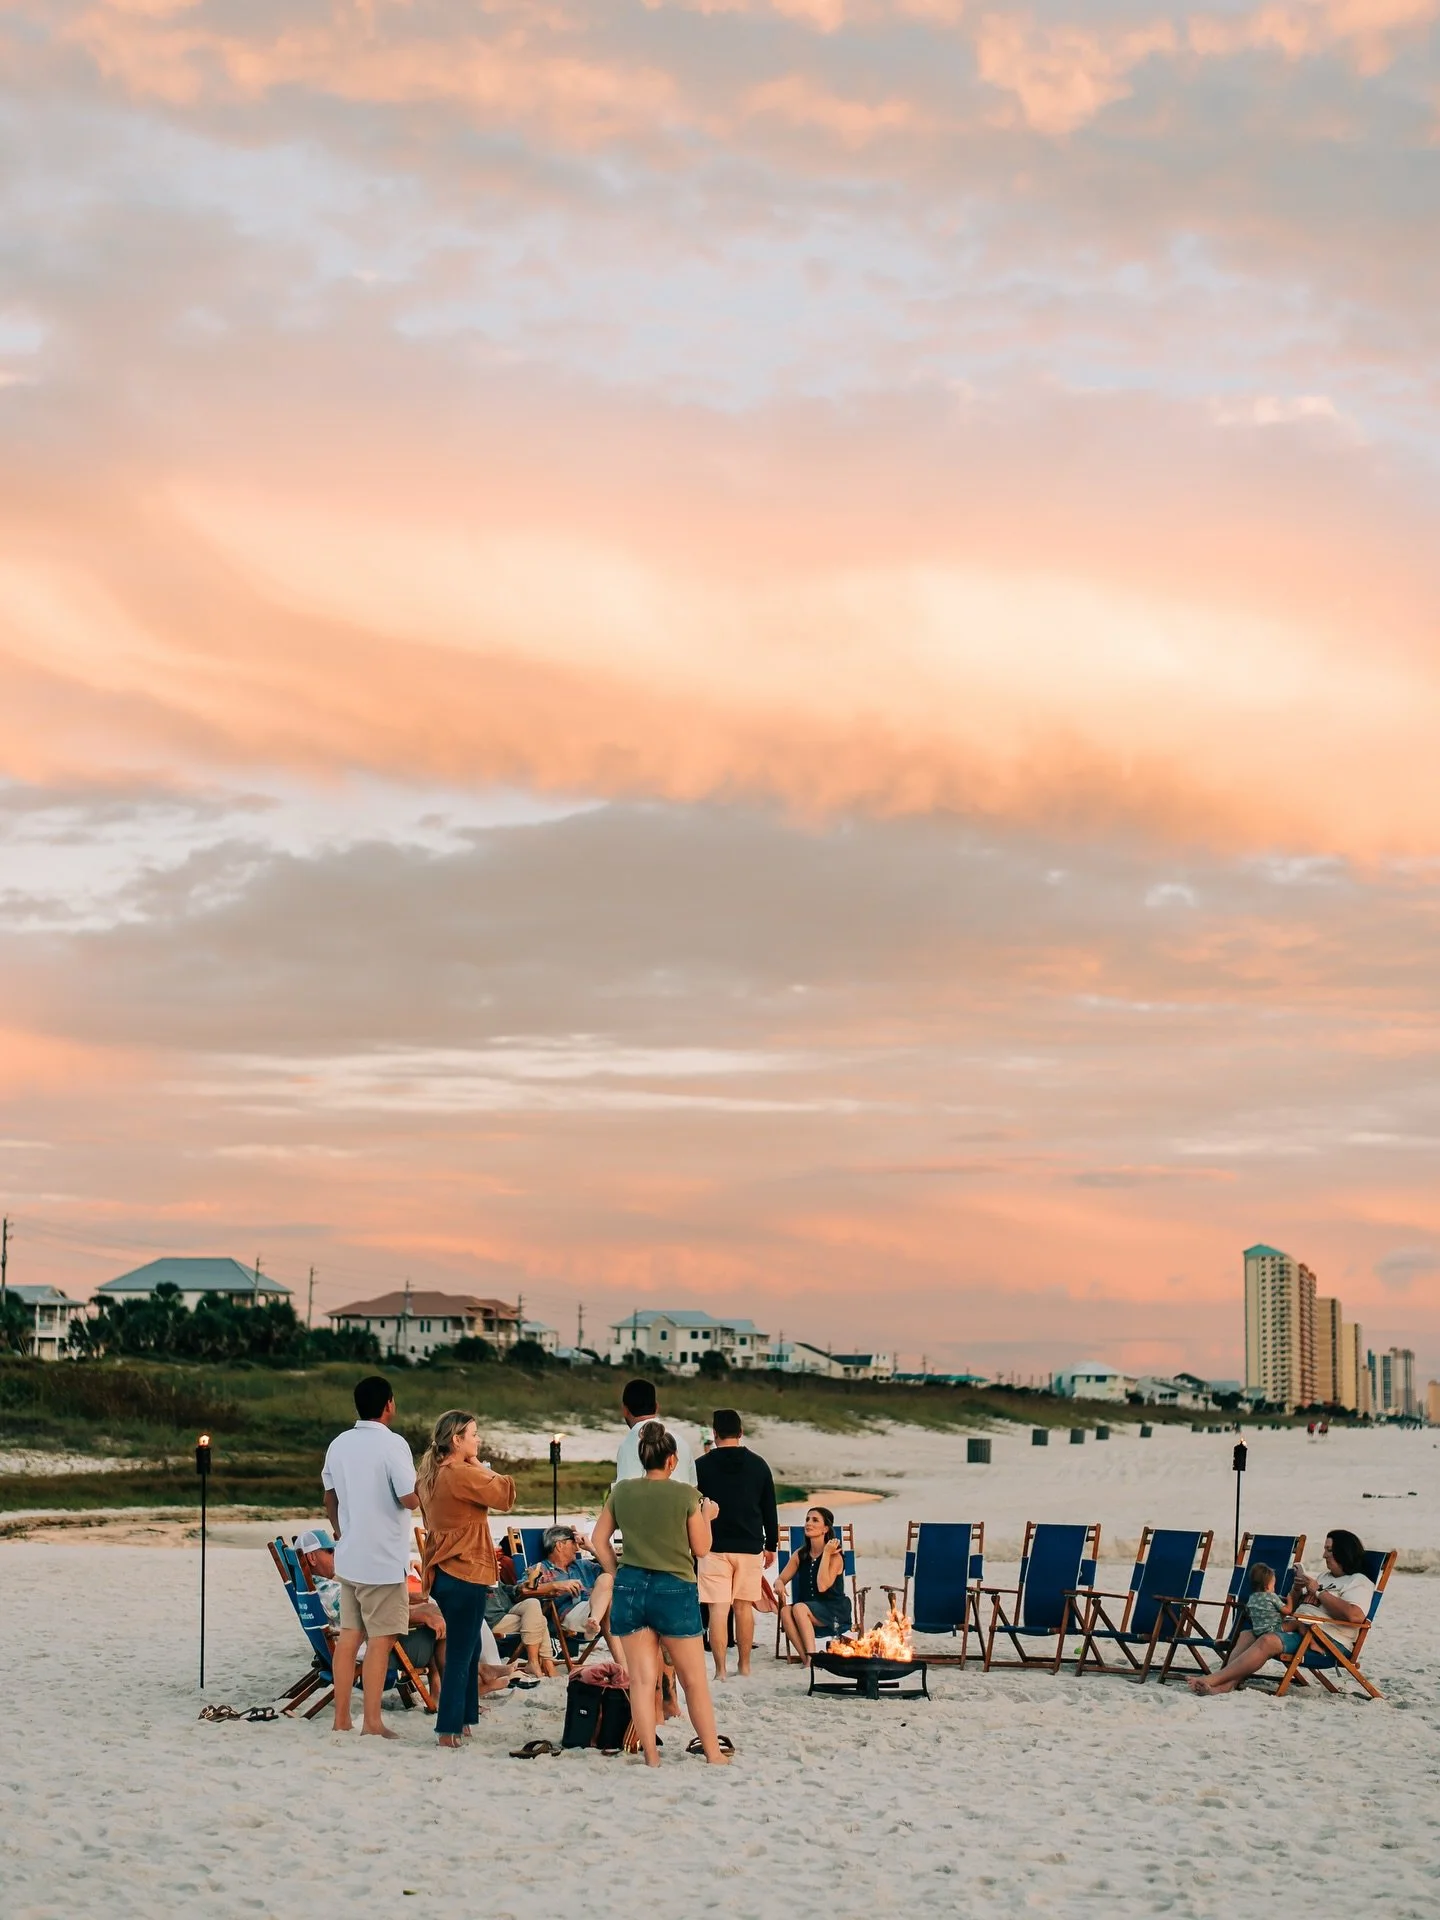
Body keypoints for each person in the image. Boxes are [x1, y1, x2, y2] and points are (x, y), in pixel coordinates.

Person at [591, 1424, 731, 1767]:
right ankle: (713, 1754)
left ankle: (651, 1757)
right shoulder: (686, 1495)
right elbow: (701, 1548)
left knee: (641, 1681)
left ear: (643, 1457)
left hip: (631, 1586)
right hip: (674, 1588)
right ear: (672, 1460)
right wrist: (708, 1516)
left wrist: (615, 1573)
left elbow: (598, 1540)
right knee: (693, 1681)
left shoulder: (622, 1491)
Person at [320, 1375, 423, 1738]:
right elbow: (409, 1498)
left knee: (350, 1636)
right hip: (382, 1560)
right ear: (389, 1404)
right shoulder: (393, 1444)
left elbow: (330, 1498)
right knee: (382, 1639)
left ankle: (341, 1719)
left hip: (350, 1558)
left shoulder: (338, 1444)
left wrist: (340, 1531)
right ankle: (372, 1722)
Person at [417, 1409, 517, 1748]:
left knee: (470, 1646)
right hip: (465, 1570)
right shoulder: (460, 1473)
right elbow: (505, 1494)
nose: (478, 1439)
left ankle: (464, 1718)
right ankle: (448, 1729)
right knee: (462, 1652)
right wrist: (477, 1464)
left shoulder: (429, 1475)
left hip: (443, 1572)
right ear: (457, 1439)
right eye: (473, 1434)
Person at [1190, 1530, 1375, 1697]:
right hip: (1301, 1628)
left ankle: (1213, 1679)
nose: (1324, 1555)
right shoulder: (1324, 1577)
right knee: (1247, 1634)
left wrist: (1319, 1591)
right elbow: (1297, 1607)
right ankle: (1226, 1685)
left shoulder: (1358, 1582)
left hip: (1326, 1640)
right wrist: (1297, 1589)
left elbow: (1355, 1616)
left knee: (1268, 1640)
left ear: (1343, 1552)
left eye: (1329, 1550)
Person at [296, 1529, 451, 1697]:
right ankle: (446, 1695)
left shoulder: (314, 1589)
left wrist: (418, 1607)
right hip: (372, 1653)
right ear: (312, 1558)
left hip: (364, 1642)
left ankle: (438, 1691)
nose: (336, 1555)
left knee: (432, 1612)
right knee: (444, 1626)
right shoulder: (329, 1592)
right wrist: (421, 1615)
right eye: (330, 1551)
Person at [694, 1409, 778, 1679]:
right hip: (749, 1545)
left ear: (715, 1433)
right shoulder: (759, 1465)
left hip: (713, 1546)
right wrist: (772, 1545)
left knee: (718, 1610)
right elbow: (769, 1508)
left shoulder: (701, 1466)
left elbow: (693, 1508)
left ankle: (720, 1670)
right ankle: (744, 1665)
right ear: (741, 1432)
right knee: (743, 1608)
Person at [521, 1525, 625, 1672]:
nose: (578, 1548)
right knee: (610, 1606)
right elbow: (522, 1590)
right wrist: (555, 1585)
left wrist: (592, 1549)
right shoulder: (540, 1569)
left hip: (594, 1610)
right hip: (570, 1615)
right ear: (559, 1545)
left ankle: (593, 1621)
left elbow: (616, 1576)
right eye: (574, 1542)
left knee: (607, 1578)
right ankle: (624, 1668)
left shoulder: (583, 1565)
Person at [778, 1505, 852, 1663]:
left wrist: (826, 1553)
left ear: (825, 1529)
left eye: (815, 1520)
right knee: (785, 1611)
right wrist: (779, 1584)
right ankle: (808, 1660)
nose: (808, 1523)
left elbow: (822, 1586)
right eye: (807, 1519)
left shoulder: (835, 1557)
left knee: (799, 1607)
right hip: (806, 1611)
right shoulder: (800, 1554)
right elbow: (781, 1579)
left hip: (834, 1612)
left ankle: (811, 1658)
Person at [614, 1377, 697, 1485]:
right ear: (657, 1407)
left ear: (625, 1410)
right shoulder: (681, 1442)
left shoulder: (627, 1445)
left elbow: (623, 1490)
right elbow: (693, 1488)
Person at [1242, 1562, 1286, 1641]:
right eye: (1273, 1586)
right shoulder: (1271, 1596)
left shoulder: (1251, 1598)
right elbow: (1287, 1610)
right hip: (1273, 1630)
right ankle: (1307, 1643)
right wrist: (1290, 1599)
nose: (1274, 1589)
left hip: (1258, 1632)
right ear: (1267, 1587)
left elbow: (1249, 1614)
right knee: (1297, 1624)